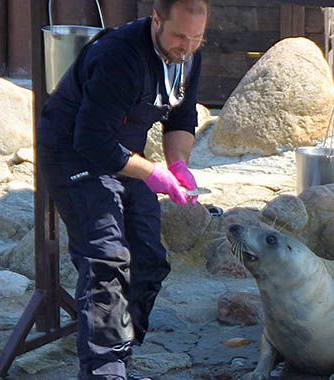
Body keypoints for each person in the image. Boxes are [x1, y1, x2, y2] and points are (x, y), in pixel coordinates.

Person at [36, 0, 209, 378]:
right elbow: (92, 140)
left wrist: (178, 164)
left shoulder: (189, 54)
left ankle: (122, 350)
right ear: (157, 20)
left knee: (148, 256)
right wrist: (153, 174)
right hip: (73, 151)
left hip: (125, 152)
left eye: (196, 37)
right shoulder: (119, 56)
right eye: (179, 35)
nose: (187, 45)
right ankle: (105, 369)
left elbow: (182, 115)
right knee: (106, 259)